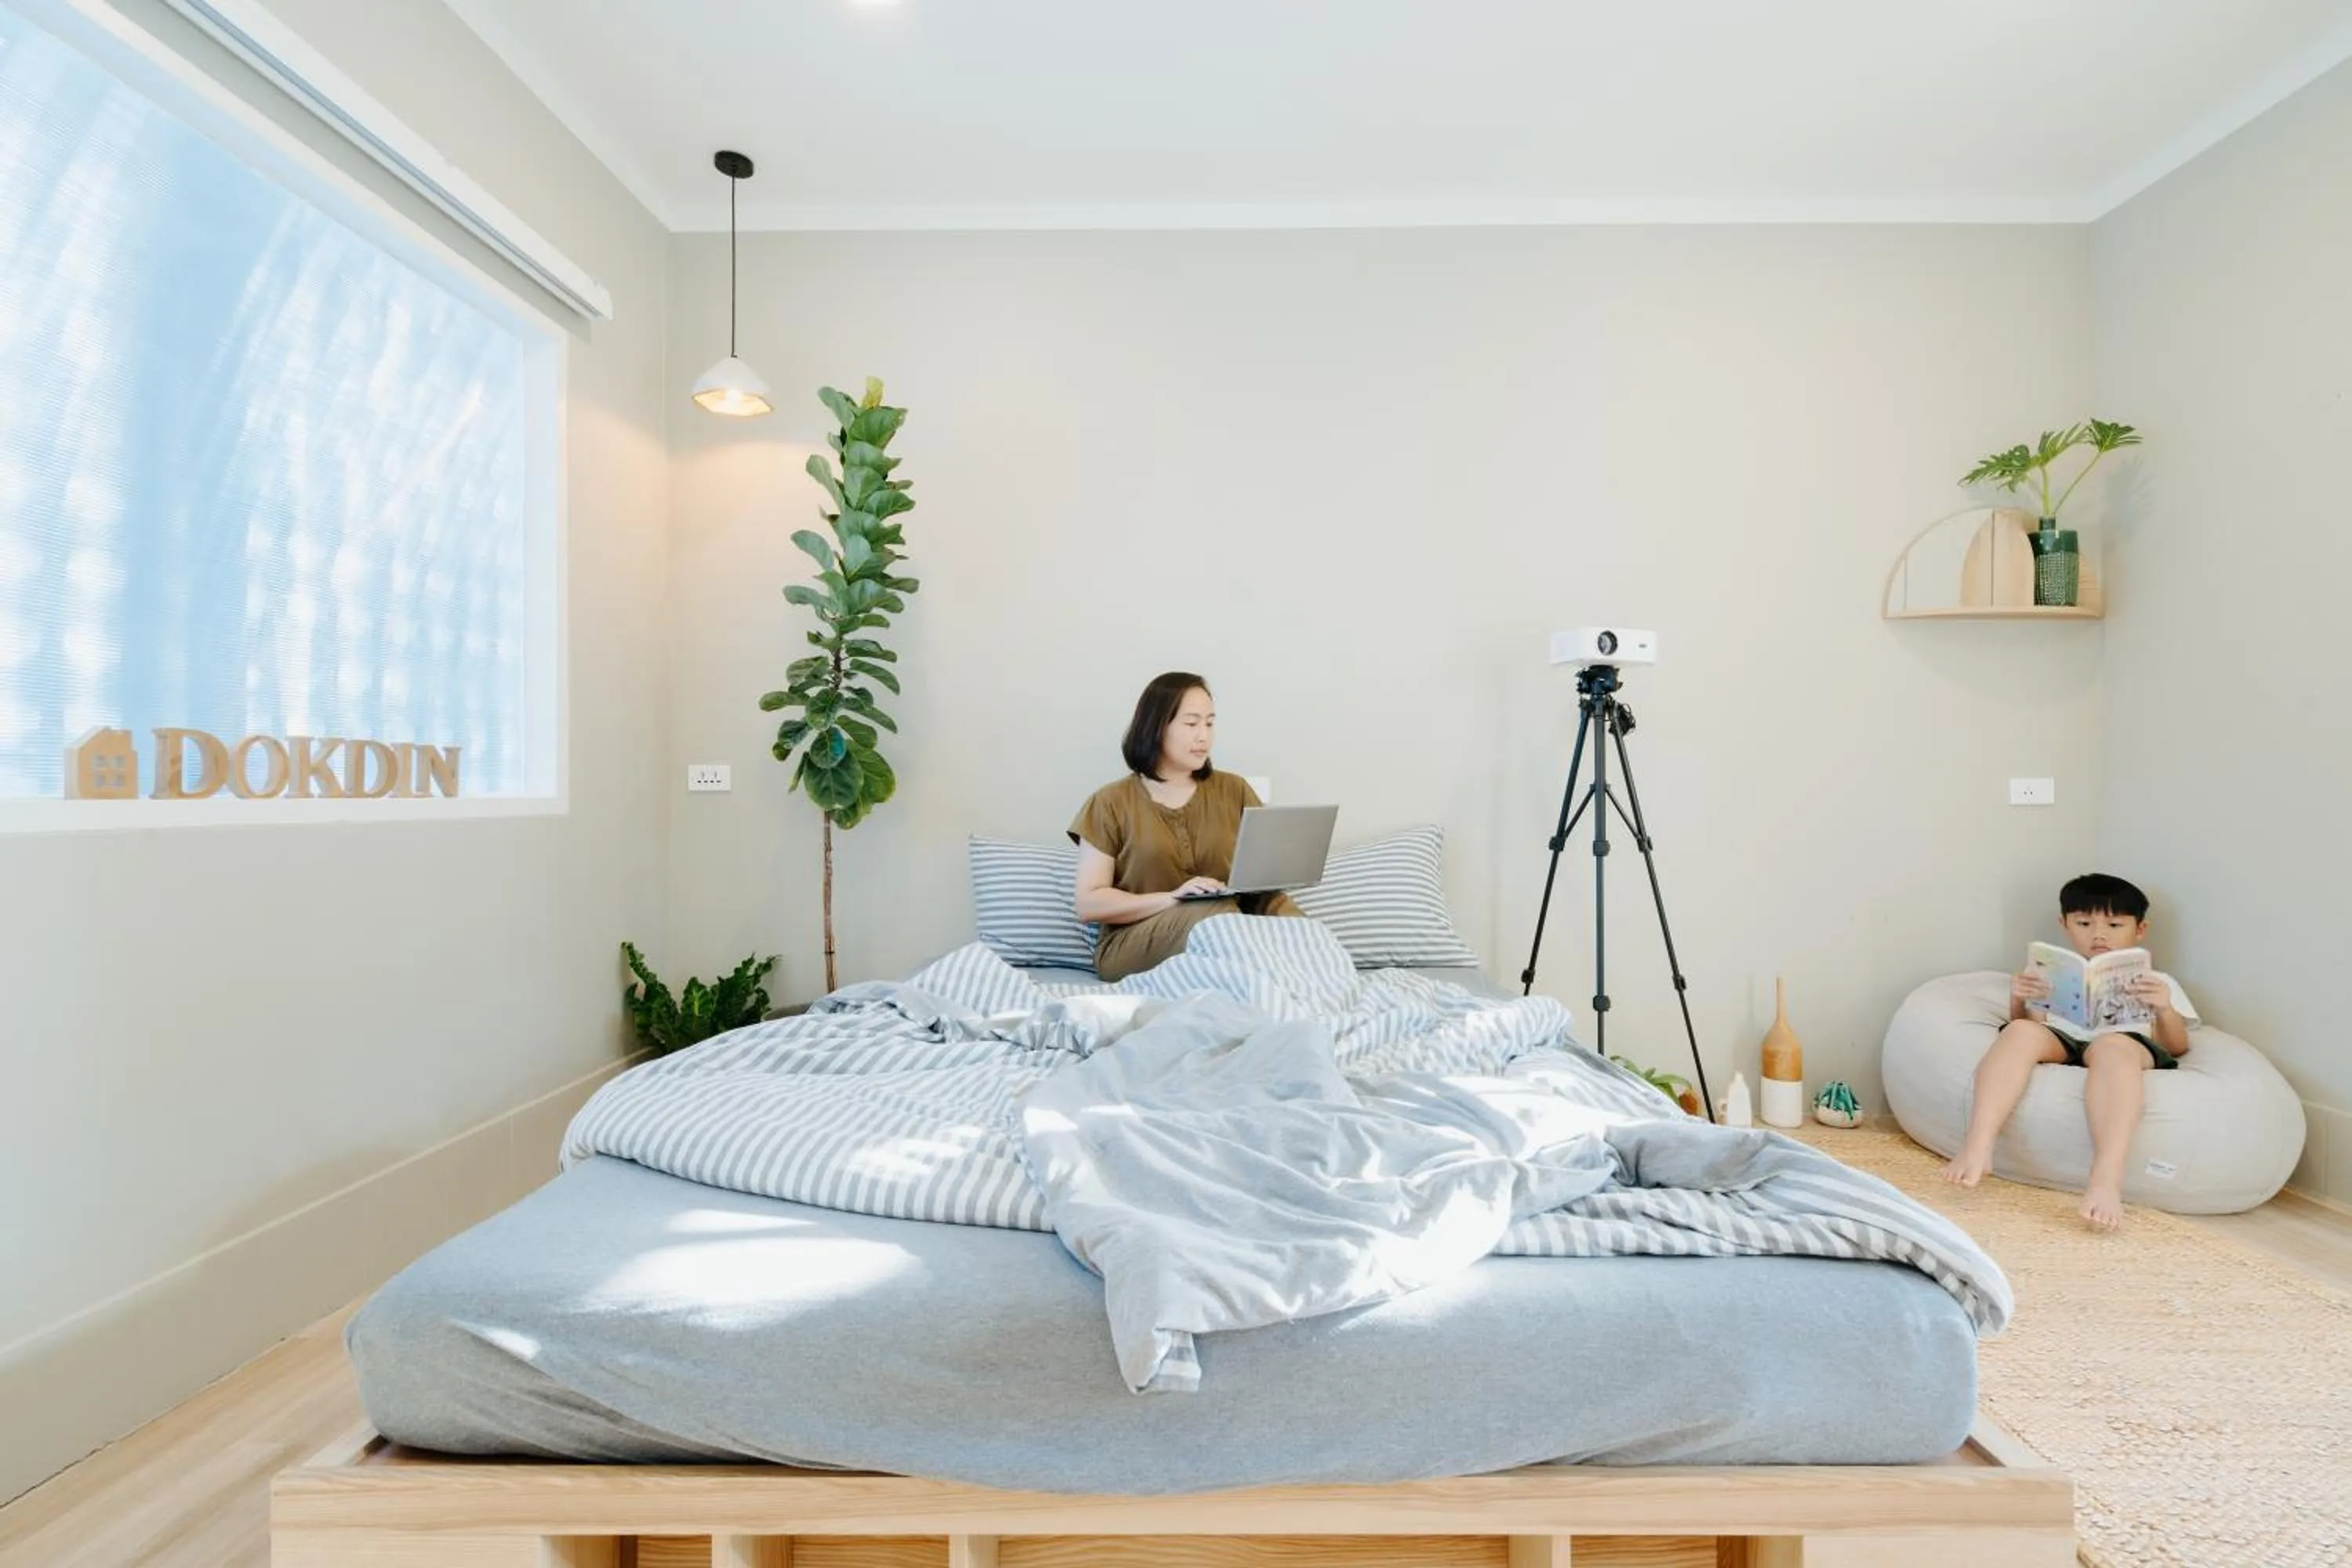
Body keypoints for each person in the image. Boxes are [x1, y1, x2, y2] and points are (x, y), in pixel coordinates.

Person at [1940, 873, 2198, 1230]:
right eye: (2084, 922)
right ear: (2065, 924)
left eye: (2114, 924)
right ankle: (1978, 1145)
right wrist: (2020, 997)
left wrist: (2165, 1009)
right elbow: (2031, 1023)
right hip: (2062, 1037)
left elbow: (2178, 1046)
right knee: (2019, 1033)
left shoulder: (2160, 981)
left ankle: (2106, 1179)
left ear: (2140, 930)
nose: (2099, 934)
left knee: (2112, 1047)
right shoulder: (2053, 973)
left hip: (2123, 1043)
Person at [1069, 672, 1305, 982]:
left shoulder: (1235, 789)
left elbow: (1258, 882)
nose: (1203, 736)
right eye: (1191, 724)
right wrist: (1174, 898)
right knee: (1213, 916)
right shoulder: (1110, 802)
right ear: (1156, 728)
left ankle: (1315, 987)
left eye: (1209, 723)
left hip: (1233, 926)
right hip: (1133, 941)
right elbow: (1089, 903)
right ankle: (1268, 986)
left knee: (1288, 916)